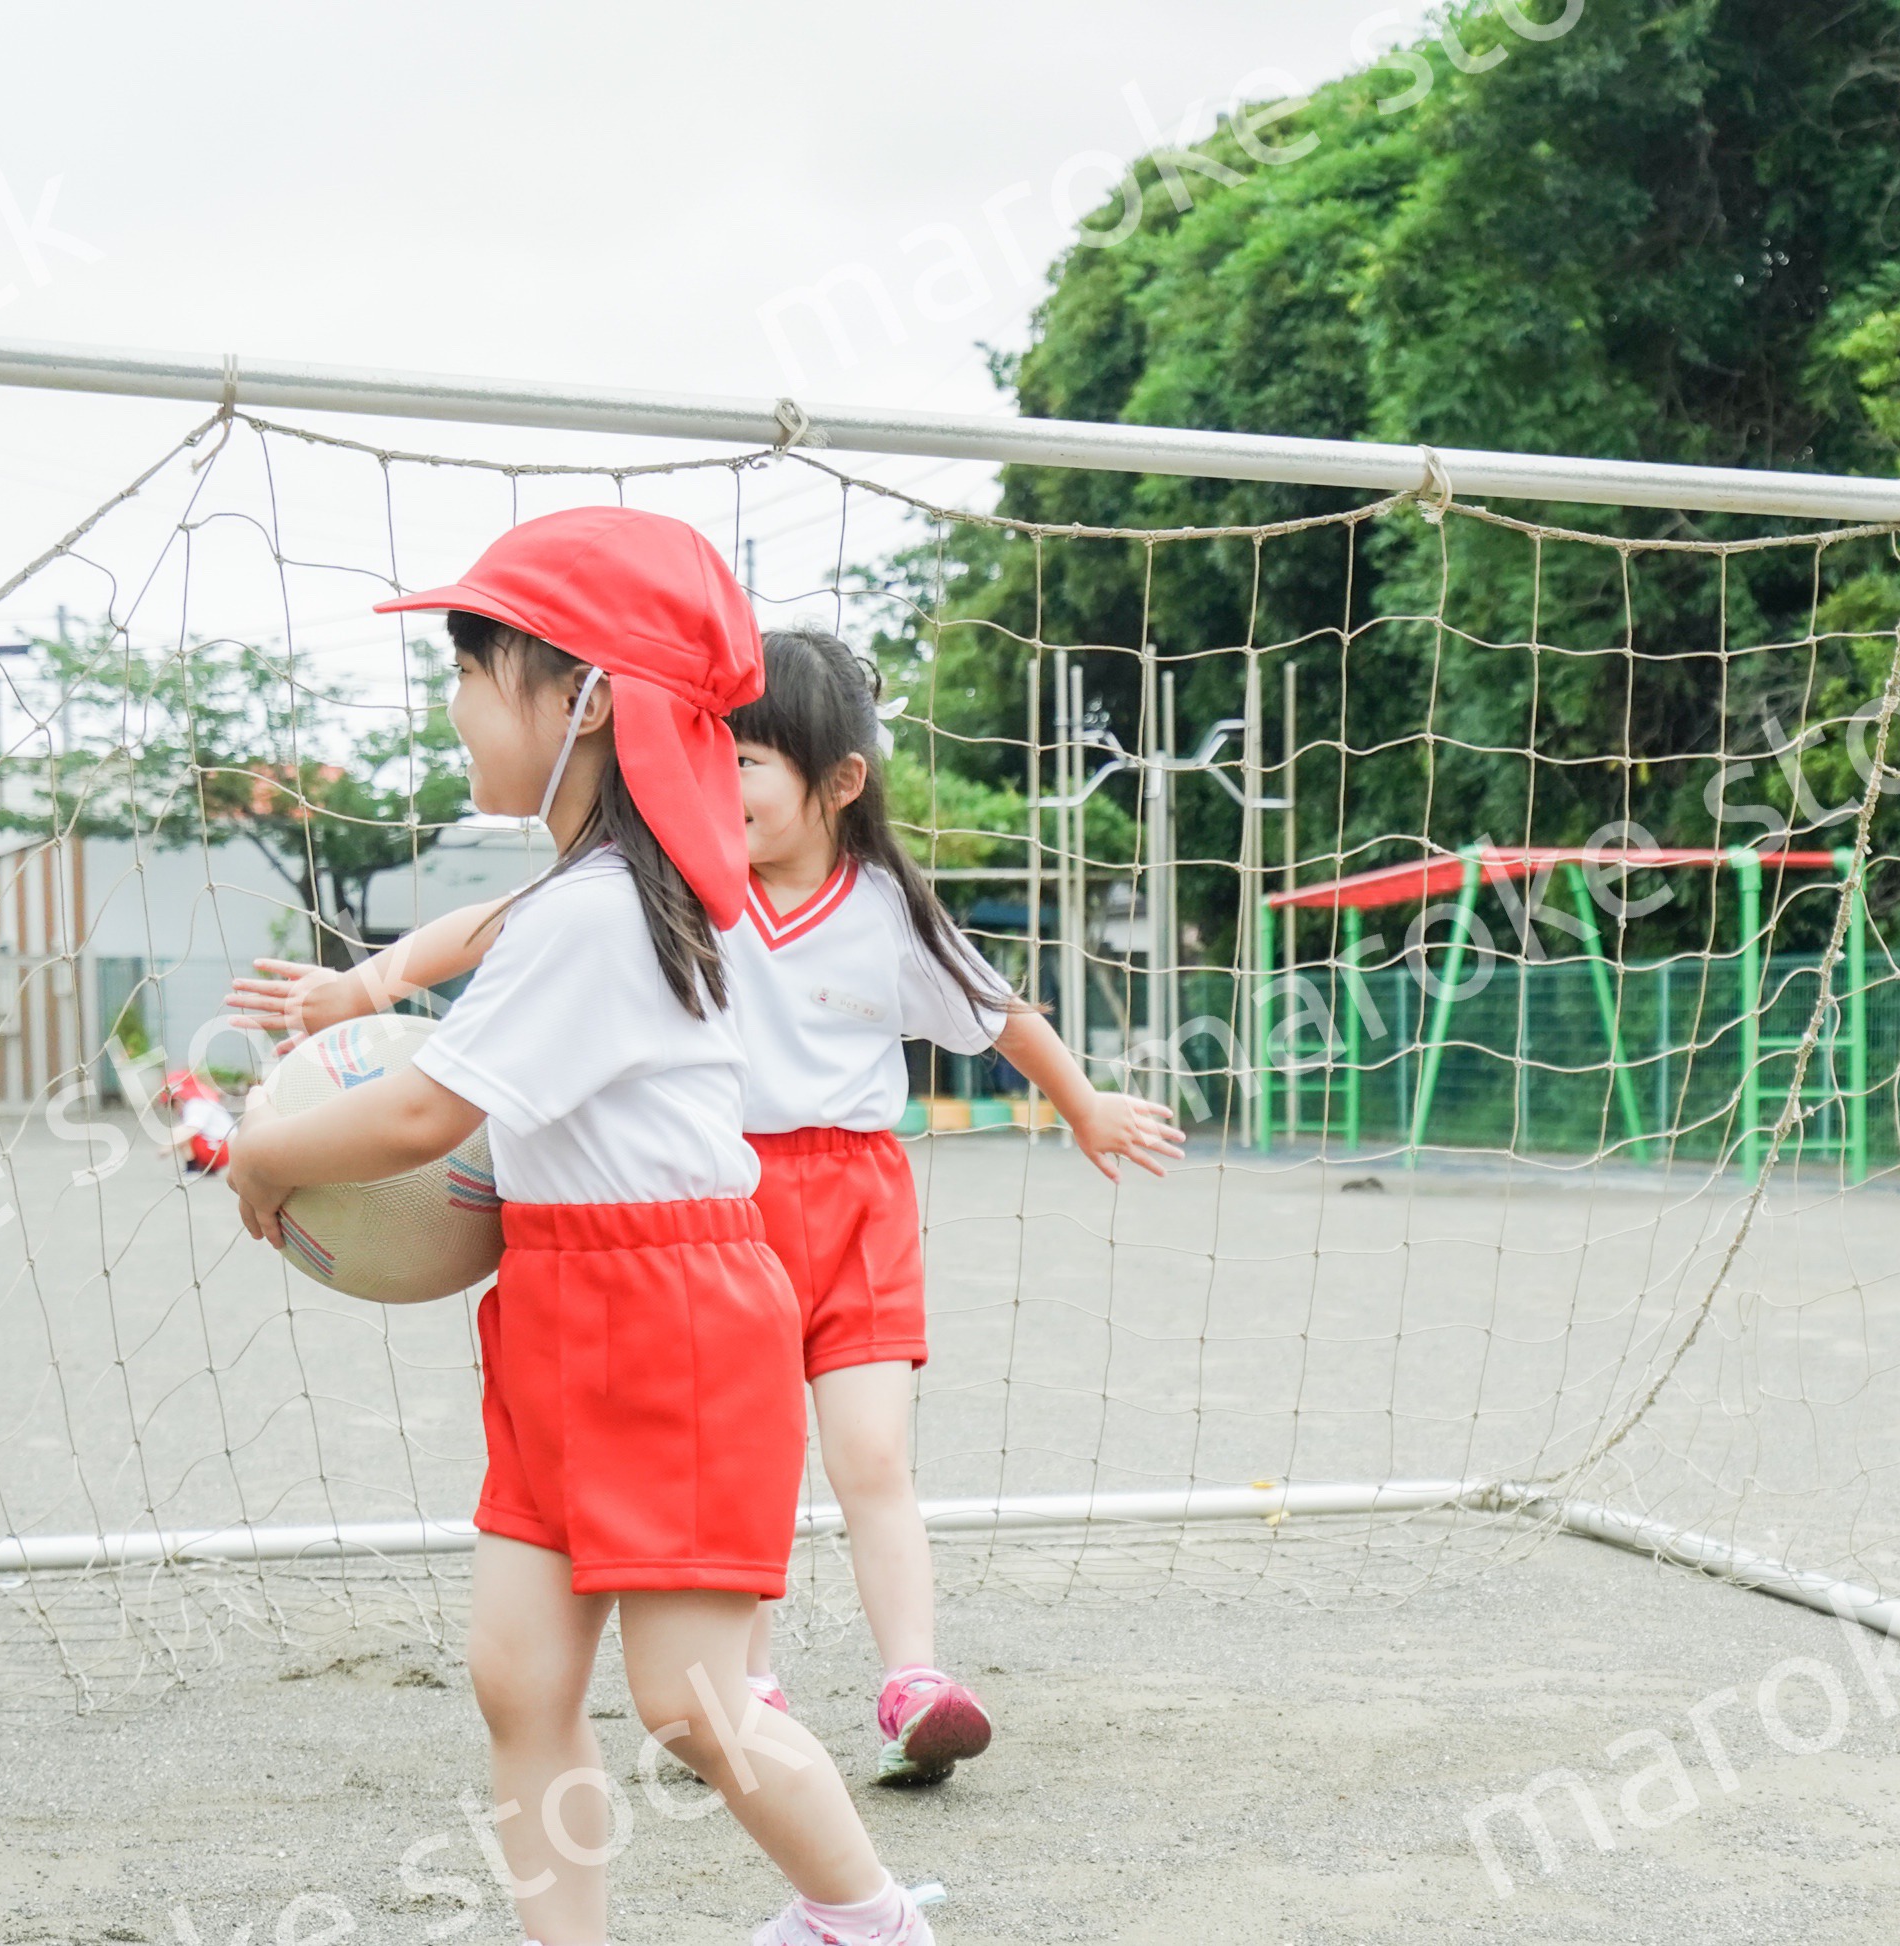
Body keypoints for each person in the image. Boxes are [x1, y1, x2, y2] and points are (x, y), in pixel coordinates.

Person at [234, 627, 1183, 1788]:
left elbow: (1003, 1015)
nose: (714, 776)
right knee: (743, 1463)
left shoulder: (886, 908)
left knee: (871, 1449)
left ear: (837, 783)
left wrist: (1082, 1106)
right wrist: (368, 983)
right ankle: (745, 1686)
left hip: (855, 1202)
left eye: (746, 760)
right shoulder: (669, 887)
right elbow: (494, 926)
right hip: (716, 1207)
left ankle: (916, 1679)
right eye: (705, 747)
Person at [222, 509, 933, 1946]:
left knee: (693, 1704)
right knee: (519, 1678)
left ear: (587, 696)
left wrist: (262, 1149)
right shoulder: (582, 896)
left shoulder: (608, 909)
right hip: (556, 1302)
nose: (458, 703)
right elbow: (464, 979)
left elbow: (422, 1119)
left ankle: (865, 1919)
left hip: (670, 1316)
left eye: (479, 669)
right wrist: (361, 993)